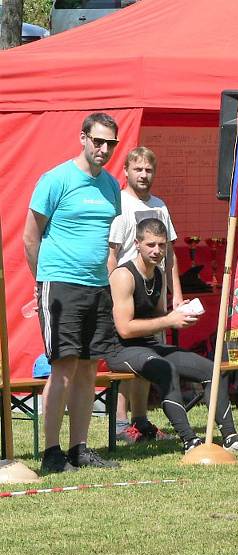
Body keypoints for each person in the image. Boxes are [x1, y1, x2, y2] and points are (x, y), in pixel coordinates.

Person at [106, 218, 238, 454]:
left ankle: (231, 437)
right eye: (150, 245)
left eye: (162, 245)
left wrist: (180, 314)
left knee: (211, 370)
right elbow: (125, 329)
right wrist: (169, 320)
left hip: (149, 345)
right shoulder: (123, 275)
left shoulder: (158, 274)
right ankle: (190, 441)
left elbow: (157, 317)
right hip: (121, 349)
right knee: (165, 369)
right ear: (137, 244)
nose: (157, 251)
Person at [23, 112, 123, 474]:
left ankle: (79, 448)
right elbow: (30, 237)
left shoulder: (112, 186)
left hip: (98, 287)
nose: (103, 149)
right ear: (82, 138)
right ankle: (52, 453)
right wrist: (41, 283)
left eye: (110, 143)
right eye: (97, 141)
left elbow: (109, 242)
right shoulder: (56, 180)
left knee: (87, 368)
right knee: (62, 367)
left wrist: (108, 277)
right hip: (60, 285)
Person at [108, 146, 183, 442]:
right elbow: (112, 254)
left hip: (154, 295)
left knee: (148, 357)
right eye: (138, 169)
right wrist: (110, 290)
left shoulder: (160, 206)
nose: (143, 175)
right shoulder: (119, 204)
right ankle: (120, 422)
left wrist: (175, 293)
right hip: (127, 293)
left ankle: (141, 420)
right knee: (128, 358)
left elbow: (171, 255)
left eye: (148, 170)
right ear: (126, 171)